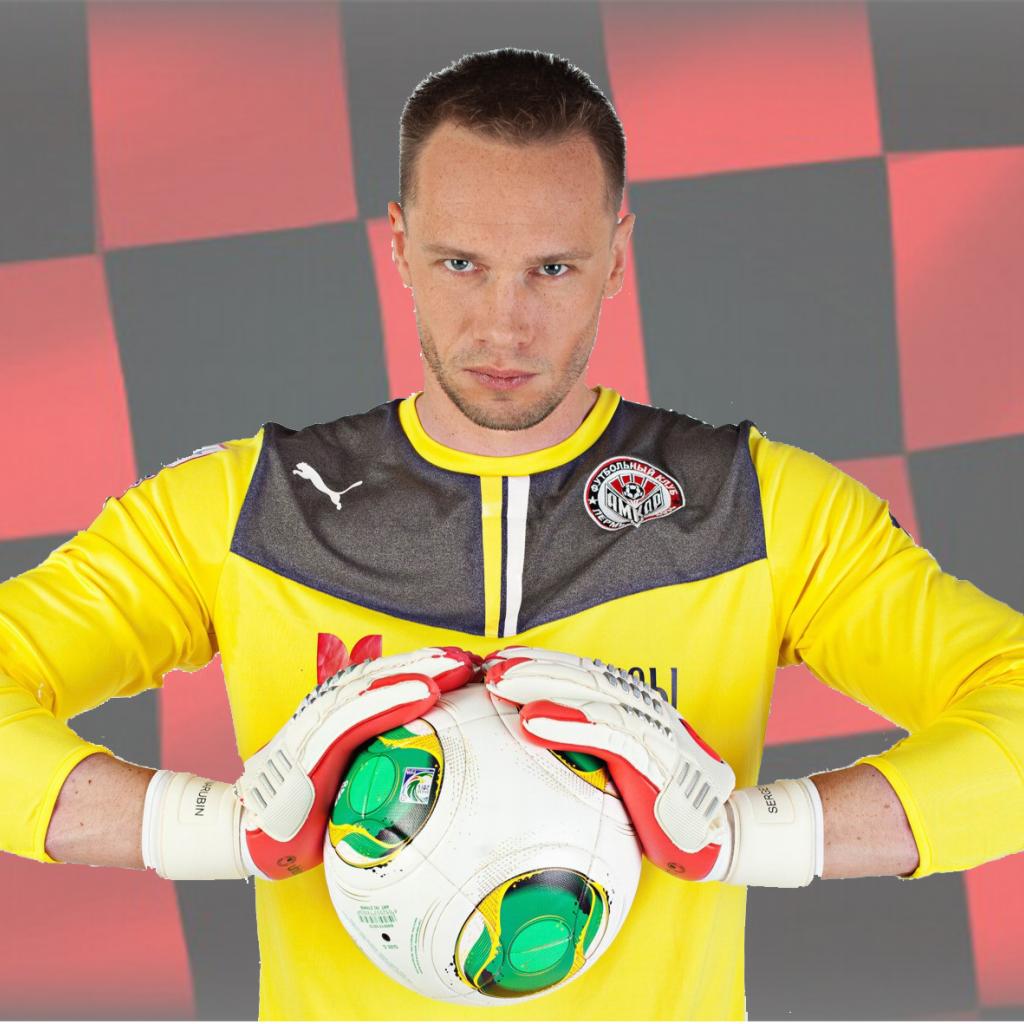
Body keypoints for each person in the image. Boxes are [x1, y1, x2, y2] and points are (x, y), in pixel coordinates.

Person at [1, 47, 1021, 1022]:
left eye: (552, 267)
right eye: (460, 262)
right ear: (396, 244)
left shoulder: (756, 508)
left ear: (617, 256)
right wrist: (219, 829)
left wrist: (750, 835)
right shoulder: (243, 508)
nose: (503, 324)